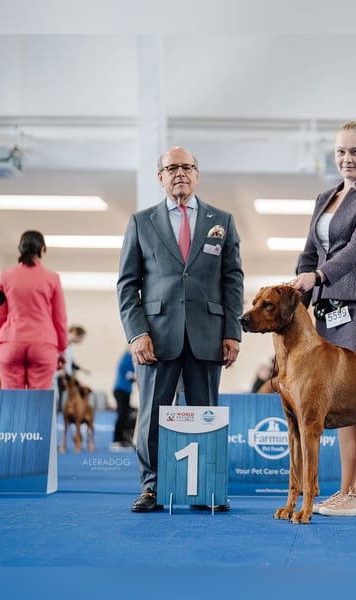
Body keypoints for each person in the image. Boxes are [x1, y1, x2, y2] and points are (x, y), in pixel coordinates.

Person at [117, 145, 244, 513]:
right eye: (171, 168)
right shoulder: (140, 222)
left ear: (197, 174)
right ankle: (152, 487)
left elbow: (232, 279)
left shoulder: (223, 220)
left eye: (187, 167)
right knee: (152, 414)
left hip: (208, 333)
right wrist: (137, 332)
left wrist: (232, 331)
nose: (180, 174)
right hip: (155, 337)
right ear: (160, 177)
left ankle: (205, 488)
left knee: (206, 412)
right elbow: (127, 284)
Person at [291, 118, 356, 517]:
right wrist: (295, 301)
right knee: (340, 405)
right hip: (328, 310)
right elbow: (309, 252)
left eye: (355, 151)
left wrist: (319, 276)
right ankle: (344, 489)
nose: (347, 159)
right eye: (340, 152)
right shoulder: (326, 197)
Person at [0, 231, 68, 390]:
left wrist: (2, 336)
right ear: (42, 250)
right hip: (43, 344)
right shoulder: (52, 278)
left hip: (11, 343)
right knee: (37, 404)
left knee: (12, 403)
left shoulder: (5, 276)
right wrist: (61, 349)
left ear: (20, 249)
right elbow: (59, 317)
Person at [110, 348, 136, 450]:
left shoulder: (129, 357)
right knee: (122, 414)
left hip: (125, 390)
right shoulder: (127, 356)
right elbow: (125, 371)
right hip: (121, 390)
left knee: (125, 415)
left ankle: (122, 440)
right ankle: (116, 440)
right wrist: (135, 376)